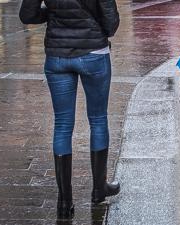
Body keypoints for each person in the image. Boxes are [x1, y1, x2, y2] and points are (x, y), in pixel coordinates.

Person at [19, 0, 120, 219]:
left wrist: (55, 13)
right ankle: (98, 190)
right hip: (94, 53)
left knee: (62, 125)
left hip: (57, 55)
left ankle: (64, 202)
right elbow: (111, 23)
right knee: (98, 120)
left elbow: (27, 15)